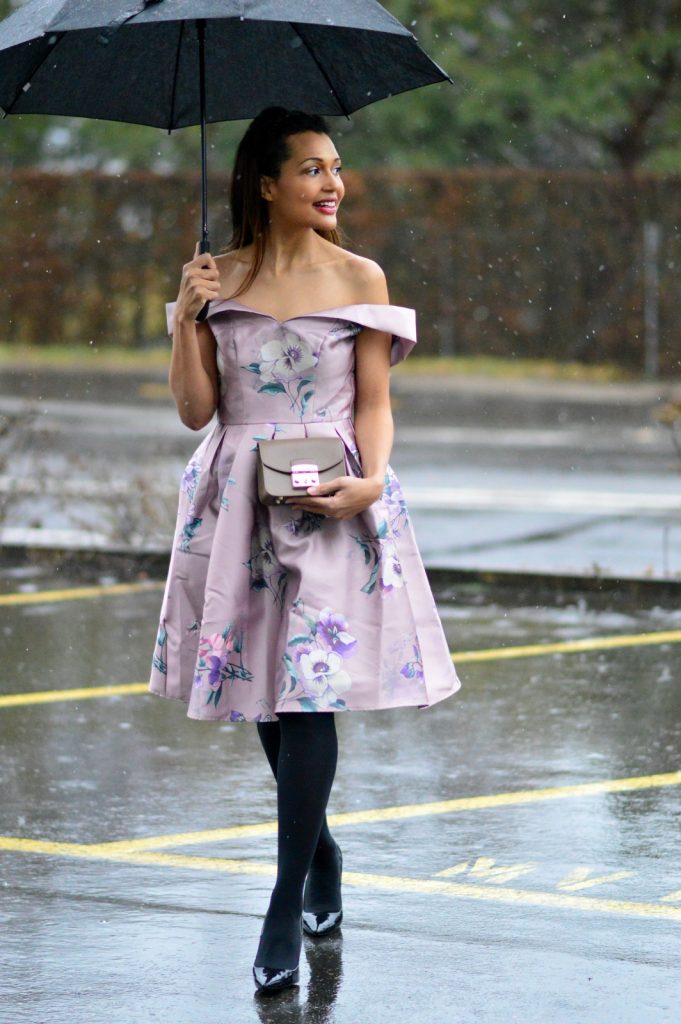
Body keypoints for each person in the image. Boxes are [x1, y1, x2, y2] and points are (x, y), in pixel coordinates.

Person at [149, 106, 461, 994]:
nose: (333, 185)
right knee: (261, 687)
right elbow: (194, 411)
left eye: (335, 168)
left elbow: (373, 401)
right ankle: (319, 851)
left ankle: (284, 898)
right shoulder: (219, 279)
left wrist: (373, 479)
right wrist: (186, 316)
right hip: (235, 495)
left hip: (332, 492)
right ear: (265, 182)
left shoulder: (361, 274)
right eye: (313, 170)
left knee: (310, 692)